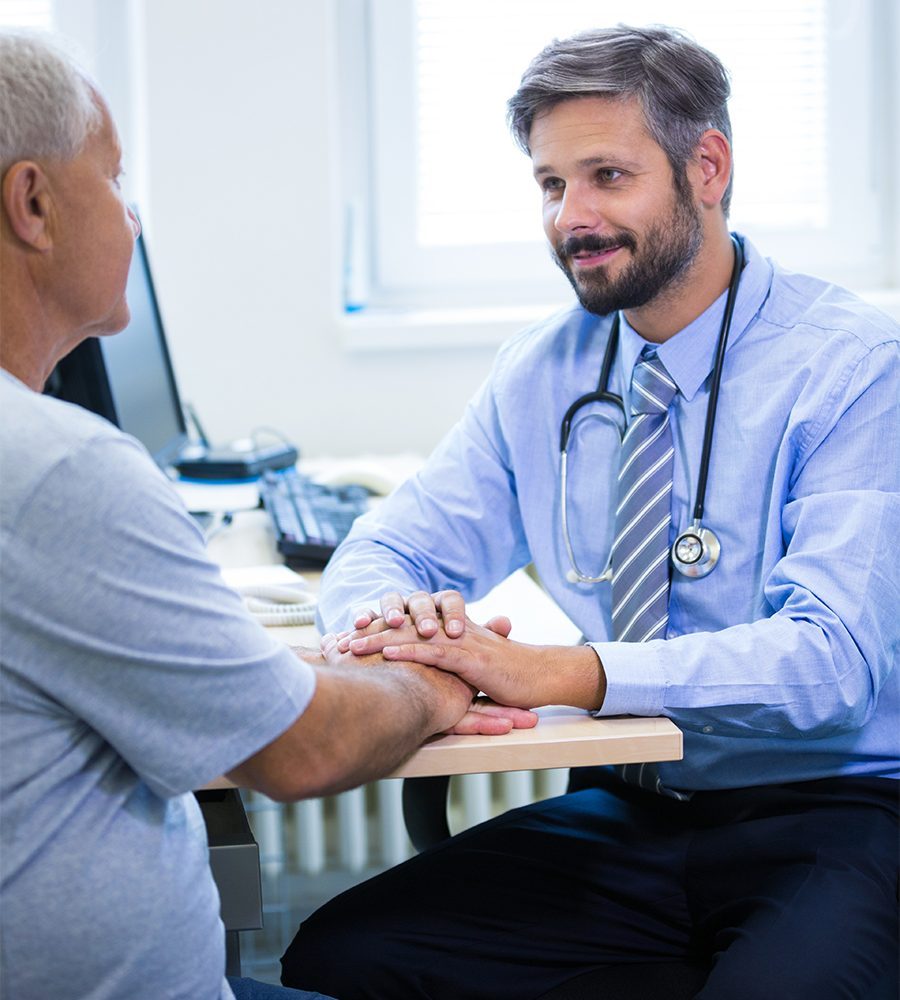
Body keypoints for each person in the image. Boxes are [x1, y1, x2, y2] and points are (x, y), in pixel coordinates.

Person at [280, 24, 900, 1000]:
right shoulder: (546, 367)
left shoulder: (854, 366)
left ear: (708, 166)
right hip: (629, 805)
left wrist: (565, 671)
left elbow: (832, 660)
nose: (573, 216)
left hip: (835, 809)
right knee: (342, 958)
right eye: (550, 184)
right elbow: (392, 541)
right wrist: (390, 629)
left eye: (607, 175)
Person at [0, 31, 537, 1000]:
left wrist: (332, 663)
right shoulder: (54, 469)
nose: (130, 217)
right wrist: (436, 680)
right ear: (33, 203)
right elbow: (308, 748)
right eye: (116, 181)